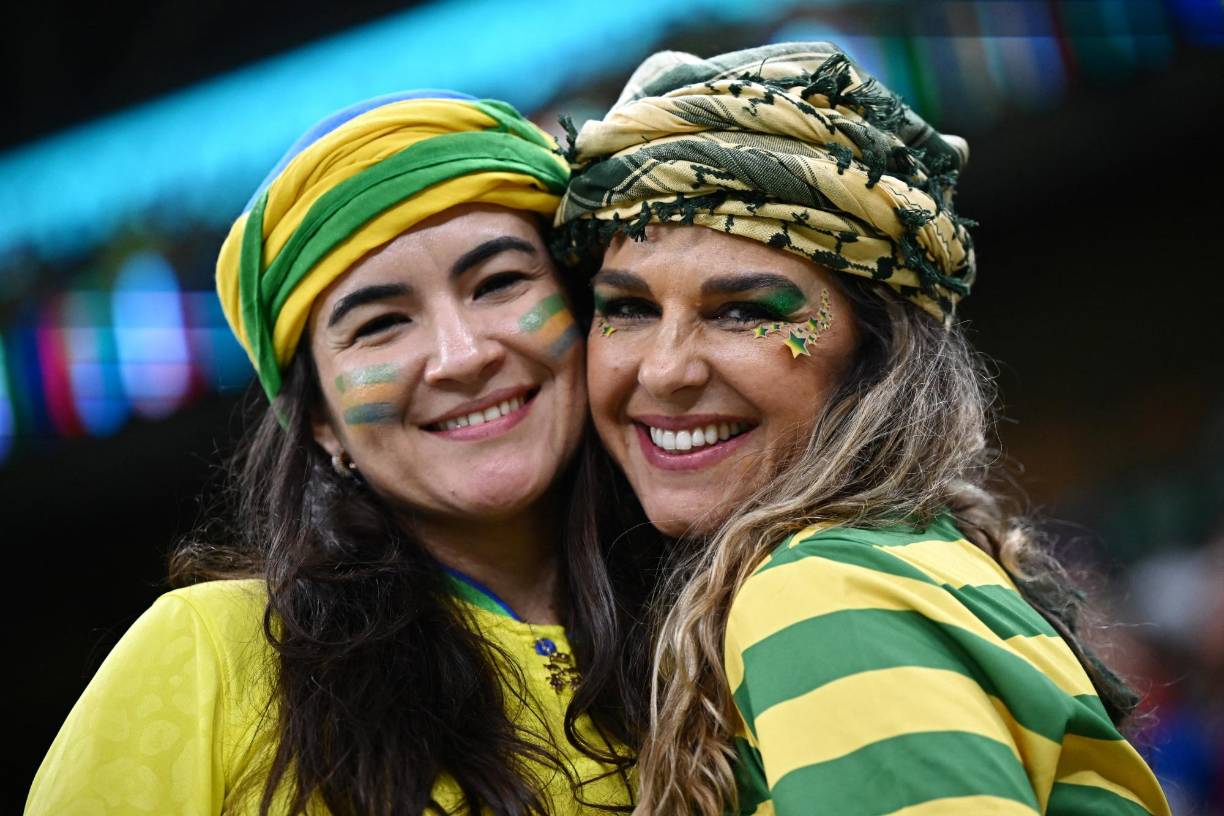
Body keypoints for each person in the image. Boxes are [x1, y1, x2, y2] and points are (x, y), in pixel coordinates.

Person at [555, 44, 1172, 815]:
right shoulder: (900, 561)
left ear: (874, 351)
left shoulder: (820, 596)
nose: (664, 370)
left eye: (743, 310)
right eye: (628, 309)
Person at [28, 91, 638, 815]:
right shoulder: (210, 654)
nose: (461, 356)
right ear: (319, 420)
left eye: (499, 283)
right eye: (381, 323)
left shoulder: (716, 617)